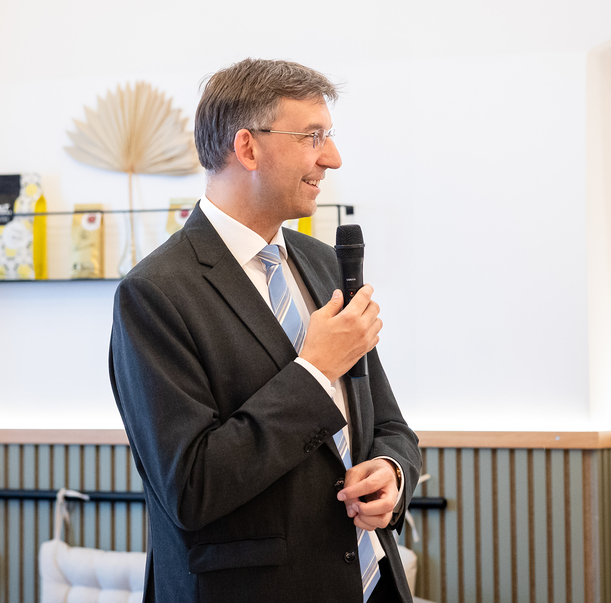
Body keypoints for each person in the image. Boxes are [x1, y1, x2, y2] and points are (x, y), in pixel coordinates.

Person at [108, 58, 421, 603]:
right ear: (248, 148)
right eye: (312, 136)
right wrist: (314, 370)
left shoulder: (323, 263)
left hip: (370, 585)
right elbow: (192, 487)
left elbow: (388, 424)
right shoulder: (153, 293)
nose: (332, 157)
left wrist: (393, 474)